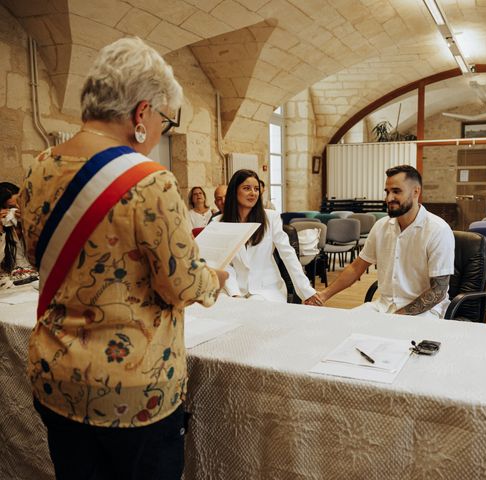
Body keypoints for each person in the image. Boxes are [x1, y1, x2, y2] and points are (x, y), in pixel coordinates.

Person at [18, 37, 227, 480]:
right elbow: (183, 286)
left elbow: (37, 256)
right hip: (134, 393)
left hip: (56, 375)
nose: (159, 133)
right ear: (141, 113)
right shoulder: (152, 182)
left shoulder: (38, 166)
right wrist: (214, 277)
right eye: (164, 122)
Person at [308, 165, 454, 317]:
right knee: (344, 325)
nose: (389, 198)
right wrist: (323, 295)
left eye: (396, 191)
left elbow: (439, 291)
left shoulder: (438, 230)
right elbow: (355, 268)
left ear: (416, 192)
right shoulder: (381, 226)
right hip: (383, 306)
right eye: (387, 192)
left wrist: (396, 317)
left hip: (425, 312)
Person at [215, 169, 319, 303]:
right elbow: (223, 264)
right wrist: (235, 293)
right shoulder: (219, 222)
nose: (253, 193)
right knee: (217, 307)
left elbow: (288, 255)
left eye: (256, 189)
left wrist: (306, 291)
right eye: (247, 188)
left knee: (255, 305)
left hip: (267, 290)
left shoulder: (271, 217)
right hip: (234, 288)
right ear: (234, 191)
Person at [0, 182, 37, 288]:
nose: (18, 209)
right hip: (11, 287)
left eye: (20, 204)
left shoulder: (32, 222)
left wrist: (29, 224)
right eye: (12, 207)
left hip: (36, 280)